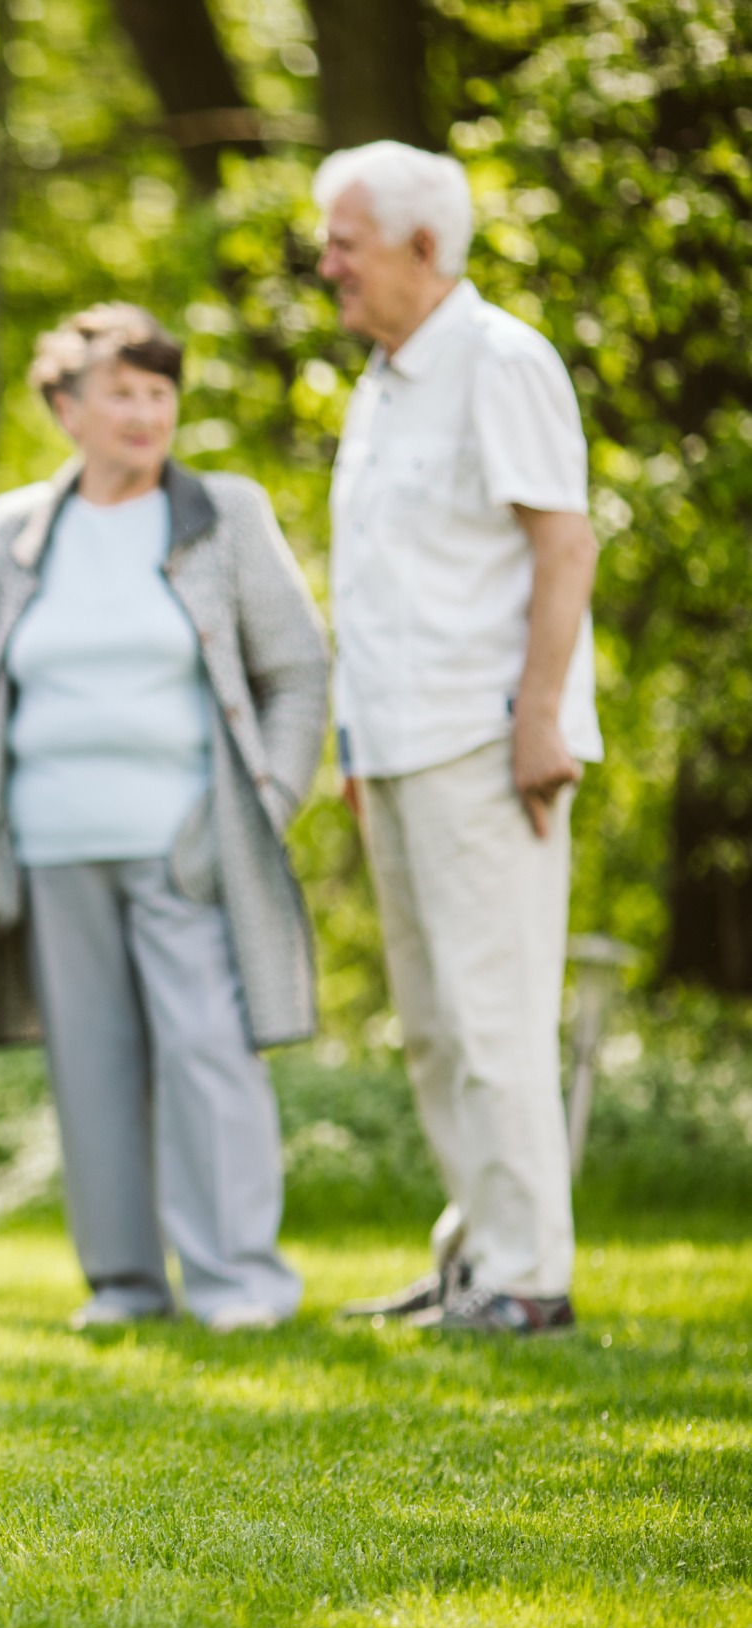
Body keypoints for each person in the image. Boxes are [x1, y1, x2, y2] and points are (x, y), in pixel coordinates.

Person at [0, 304, 328, 1332]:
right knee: (91, 1069)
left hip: (187, 844)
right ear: (67, 407)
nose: (148, 412)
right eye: (124, 391)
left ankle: (242, 1284)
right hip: (52, 846)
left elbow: (298, 670)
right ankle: (125, 1284)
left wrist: (271, 801)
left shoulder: (223, 513)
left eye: (161, 392)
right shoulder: (13, 531)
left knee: (209, 1056)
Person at [316, 143, 600, 1336]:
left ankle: (531, 1278)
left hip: (487, 748)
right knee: (433, 1027)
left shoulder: (500, 359)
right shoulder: (384, 381)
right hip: (395, 750)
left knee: (494, 1017)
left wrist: (539, 719)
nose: (326, 265)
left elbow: (564, 543)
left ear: (425, 248)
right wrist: (354, 748)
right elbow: (386, 585)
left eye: (346, 244)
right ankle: (476, 1257)